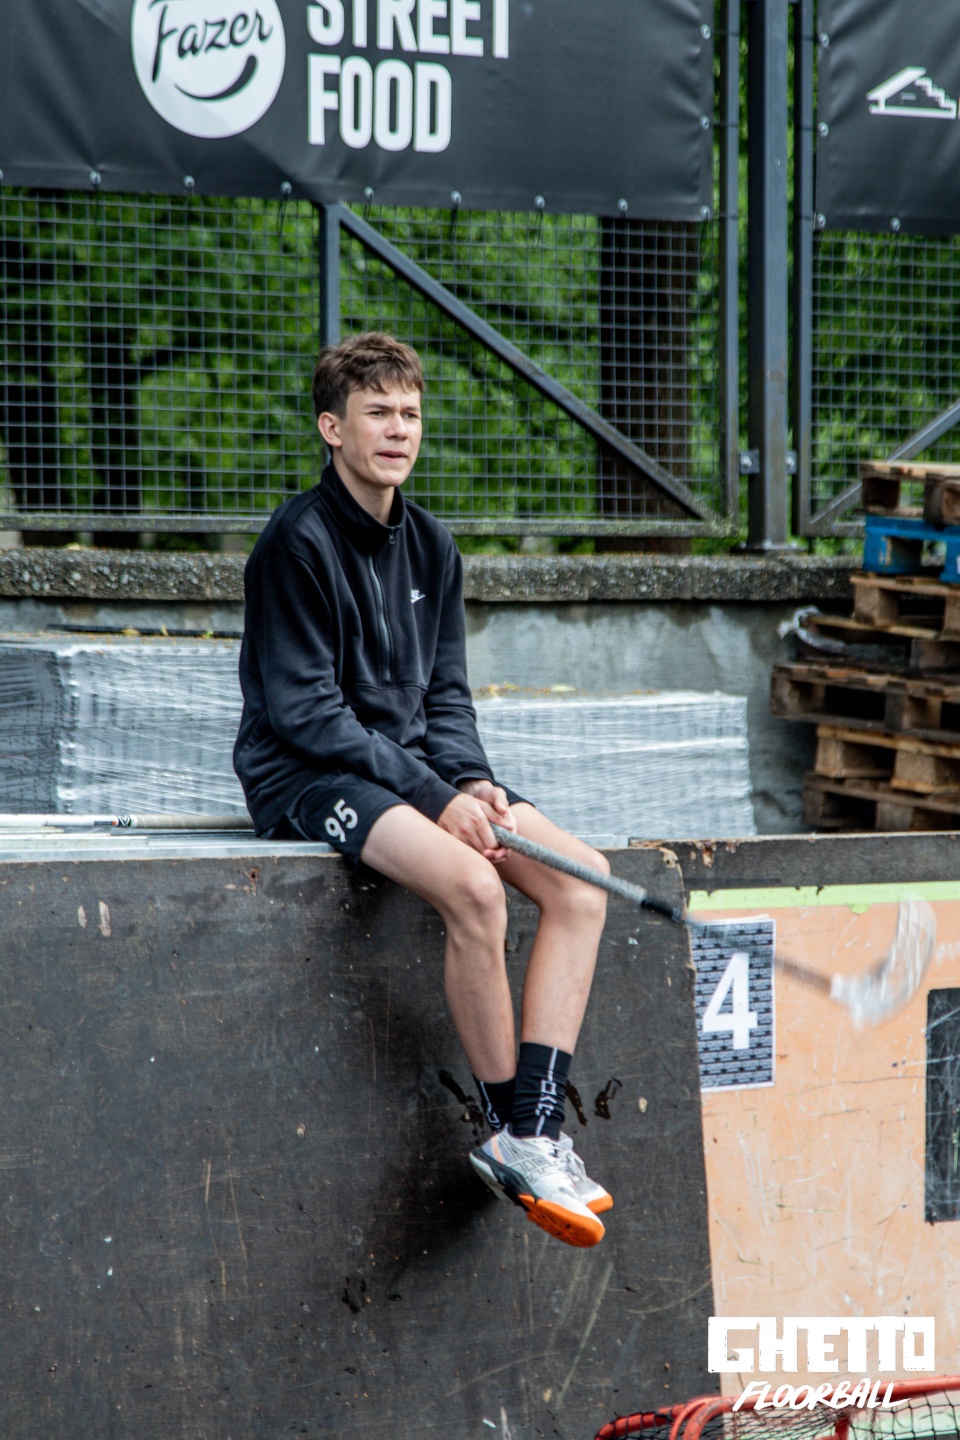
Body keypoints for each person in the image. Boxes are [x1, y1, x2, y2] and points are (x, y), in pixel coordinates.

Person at [234, 331, 613, 1249]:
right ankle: (511, 1133)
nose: (398, 429)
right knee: (476, 887)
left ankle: (533, 1131)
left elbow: (446, 697)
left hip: (415, 773)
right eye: (377, 413)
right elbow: (307, 714)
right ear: (332, 428)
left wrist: (470, 781)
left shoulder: (435, 546)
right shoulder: (296, 541)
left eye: (409, 413)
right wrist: (438, 800)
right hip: (306, 772)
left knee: (582, 880)